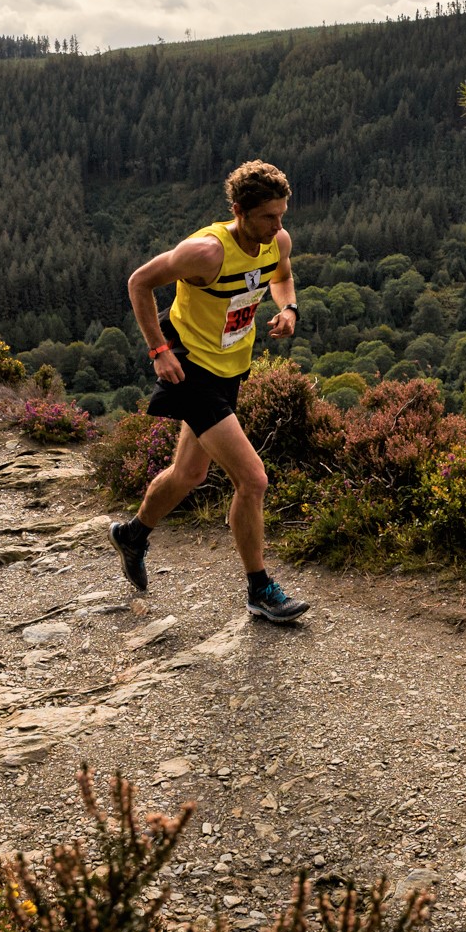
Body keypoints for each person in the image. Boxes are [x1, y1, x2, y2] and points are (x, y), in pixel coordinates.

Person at [111, 160, 310, 623]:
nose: (279, 226)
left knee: (188, 474)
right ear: (239, 210)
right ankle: (260, 589)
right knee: (253, 478)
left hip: (230, 368)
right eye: (268, 216)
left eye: (282, 215)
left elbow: (281, 276)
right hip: (190, 369)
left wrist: (290, 309)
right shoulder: (205, 253)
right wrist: (158, 349)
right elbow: (139, 282)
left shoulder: (275, 240)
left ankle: (133, 534)